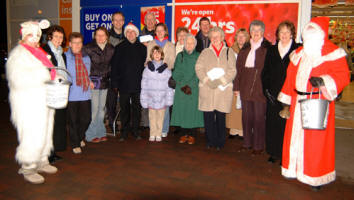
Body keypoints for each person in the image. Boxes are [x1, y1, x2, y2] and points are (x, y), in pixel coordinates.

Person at [277, 17, 350, 190]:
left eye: (313, 33)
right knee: (295, 138)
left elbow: (343, 76)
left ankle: (315, 177)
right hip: (297, 102)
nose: (309, 37)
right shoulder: (298, 54)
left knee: (316, 142)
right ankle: (294, 169)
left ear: (321, 34)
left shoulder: (333, 52)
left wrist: (324, 81)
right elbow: (289, 79)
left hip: (318, 102)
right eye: (307, 34)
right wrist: (286, 102)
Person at [6, 19, 58, 184]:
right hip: (29, 103)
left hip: (44, 100)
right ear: (24, 36)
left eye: (37, 35)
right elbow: (18, 79)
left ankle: (42, 160)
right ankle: (28, 166)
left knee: (45, 131)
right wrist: (43, 78)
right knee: (31, 133)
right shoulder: (19, 54)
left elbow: (52, 71)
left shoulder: (39, 52)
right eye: (31, 35)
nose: (35, 39)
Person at [261, 21, 300, 164]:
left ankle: (286, 154)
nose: (284, 35)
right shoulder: (271, 50)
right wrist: (266, 91)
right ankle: (273, 152)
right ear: (277, 34)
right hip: (273, 93)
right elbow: (265, 72)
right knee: (272, 124)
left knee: (287, 125)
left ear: (292, 34)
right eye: (281, 32)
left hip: (291, 93)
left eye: (287, 32)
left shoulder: (298, 49)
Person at [233, 20, 271, 155]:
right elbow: (239, 70)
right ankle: (247, 143)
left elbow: (269, 72)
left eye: (258, 30)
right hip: (245, 87)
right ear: (250, 32)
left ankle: (258, 145)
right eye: (253, 30)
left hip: (260, 89)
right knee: (247, 117)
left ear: (262, 32)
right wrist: (236, 87)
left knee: (259, 118)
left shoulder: (268, 49)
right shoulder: (245, 49)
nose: (255, 33)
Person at [195, 27, 236, 150]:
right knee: (208, 117)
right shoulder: (205, 52)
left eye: (217, 36)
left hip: (222, 90)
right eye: (212, 37)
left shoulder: (229, 52)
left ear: (223, 38)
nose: (215, 39)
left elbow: (232, 70)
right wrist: (207, 80)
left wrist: (220, 81)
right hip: (207, 89)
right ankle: (210, 140)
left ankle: (220, 142)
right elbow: (198, 68)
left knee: (220, 117)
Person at [111, 23, 147, 141]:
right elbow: (114, 67)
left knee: (137, 109)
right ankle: (124, 132)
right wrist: (115, 83)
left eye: (133, 32)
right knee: (124, 109)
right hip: (124, 84)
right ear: (125, 34)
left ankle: (136, 131)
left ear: (136, 34)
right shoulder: (119, 48)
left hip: (138, 84)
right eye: (128, 32)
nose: (130, 34)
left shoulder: (142, 48)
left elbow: (145, 67)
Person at [171, 34, 204, 144]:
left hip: (193, 89)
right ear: (184, 44)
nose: (189, 45)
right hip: (181, 88)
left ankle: (192, 135)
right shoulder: (180, 56)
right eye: (187, 43)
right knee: (182, 111)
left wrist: (191, 85)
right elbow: (176, 72)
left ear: (195, 45)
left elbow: (199, 73)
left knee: (192, 112)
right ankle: (183, 134)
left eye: (191, 43)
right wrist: (183, 85)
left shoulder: (199, 56)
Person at [42, 25, 67, 164]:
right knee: (48, 123)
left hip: (60, 90)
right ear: (50, 36)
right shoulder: (45, 51)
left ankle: (53, 151)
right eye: (56, 36)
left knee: (57, 122)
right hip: (48, 90)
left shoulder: (61, 53)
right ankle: (47, 153)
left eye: (61, 37)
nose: (59, 39)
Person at [84, 27, 115, 143]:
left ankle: (100, 132)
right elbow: (83, 65)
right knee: (94, 109)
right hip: (93, 82)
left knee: (102, 109)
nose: (101, 37)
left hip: (105, 82)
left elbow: (112, 66)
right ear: (94, 36)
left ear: (107, 36)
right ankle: (90, 134)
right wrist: (87, 80)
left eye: (103, 35)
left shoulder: (111, 48)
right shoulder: (88, 48)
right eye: (98, 35)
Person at [146, 23, 176, 137]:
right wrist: (149, 64)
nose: (159, 32)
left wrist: (165, 65)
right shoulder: (151, 44)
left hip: (165, 79)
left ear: (165, 31)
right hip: (153, 80)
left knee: (165, 105)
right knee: (153, 106)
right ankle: (154, 130)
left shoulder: (170, 45)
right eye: (157, 30)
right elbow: (147, 59)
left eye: (161, 30)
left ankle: (164, 129)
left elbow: (172, 61)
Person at [66, 32, 93, 154]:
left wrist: (90, 81)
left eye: (79, 43)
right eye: (74, 43)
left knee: (86, 119)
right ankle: (75, 143)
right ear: (70, 44)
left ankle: (79, 136)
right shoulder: (65, 57)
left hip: (84, 93)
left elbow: (87, 74)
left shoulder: (86, 58)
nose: (77, 45)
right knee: (73, 121)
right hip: (71, 94)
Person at [140, 46, 174, 142]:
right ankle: (153, 133)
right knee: (152, 118)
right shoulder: (147, 69)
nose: (157, 55)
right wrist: (144, 99)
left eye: (158, 53)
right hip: (151, 99)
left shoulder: (167, 70)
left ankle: (158, 133)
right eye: (154, 53)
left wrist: (169, 100)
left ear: (162, 55)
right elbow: (144, 86)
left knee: (160, 118)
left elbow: (169, 87)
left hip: (162, 99)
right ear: (151, 55)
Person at [225, 28, 249, 140]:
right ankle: (233, 130)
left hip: (245, 81)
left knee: (243, 107)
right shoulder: (230, 50)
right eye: (238, 36)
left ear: (247, 38)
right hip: (233, 80)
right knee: (233, 106)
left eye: (243, 36)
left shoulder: (250, 50)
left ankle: (242, 131)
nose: (240, 38)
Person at [106, 11, 126, 133]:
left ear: (123, 22)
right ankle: (112, 123)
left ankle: (124, 123)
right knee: (111, 101)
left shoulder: (128, 35)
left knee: (124, 101)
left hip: (124, 74)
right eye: (115, 20)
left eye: (120, 20)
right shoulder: (106, 36)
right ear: (112, 22)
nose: (118, 22)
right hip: (111, 73)